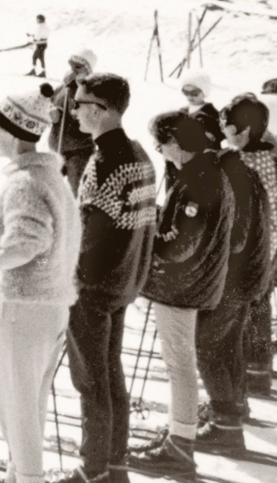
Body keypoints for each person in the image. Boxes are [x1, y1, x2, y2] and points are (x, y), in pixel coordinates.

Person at [0, 83, 81, 483]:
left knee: (16, 405)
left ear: (10, 130)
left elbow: (26, 246)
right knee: (30, 402)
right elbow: (34, 240)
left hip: (25, 307)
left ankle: (27, 477)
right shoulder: (51, 178)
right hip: (51, 304)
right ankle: (19, 473)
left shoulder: (25, 182)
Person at [63, 73, 157, 483]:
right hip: (124, 282)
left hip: (95, 287)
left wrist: (69, 276)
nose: (74, 111)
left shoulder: (105, 162)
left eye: (80, 104)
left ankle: (94, 468)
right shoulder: (139, 153)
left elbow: (90, 237)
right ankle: (114, 465)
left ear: (101, 110)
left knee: (91, 381)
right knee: (110, 375)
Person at [130, 112, 234, 480]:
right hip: (190, 284)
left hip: (183, 287)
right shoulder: (203, 172)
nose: (159, 150)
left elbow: (181, 245)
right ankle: (180, 439)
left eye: (161, 142)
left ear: (176, 141)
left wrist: (149, 238)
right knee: (180, 363)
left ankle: (180, 445)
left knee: (179, 364)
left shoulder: (199, 179)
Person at [195, 135, 271, 453]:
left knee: (209, 346)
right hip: (248, 279)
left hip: (231, 281)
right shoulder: (249, 179)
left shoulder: (233, 184)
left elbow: (234, 239)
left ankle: (225, 424)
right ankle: (232, 409)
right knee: (229, 345)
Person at [219, 94, 277, 399]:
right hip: (269, 250)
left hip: (244, 254)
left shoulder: (239, 163)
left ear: (242, 130)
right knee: (260, 309)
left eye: (227, 127)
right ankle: (259, 371)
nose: (223, 134)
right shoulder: (271, 154)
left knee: (236, 319)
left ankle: (235, 388)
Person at [47, 49, 97, 195]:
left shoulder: (89, 90)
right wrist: (52, 110)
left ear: (88, 70)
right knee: (52, 191)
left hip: (78, 151)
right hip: (58, 148)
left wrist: (77, 88)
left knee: (75, 192)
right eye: (72, 66)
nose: (73, 71)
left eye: (78, 67)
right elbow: (51, 102)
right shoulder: (63, 87)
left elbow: (84, 116)